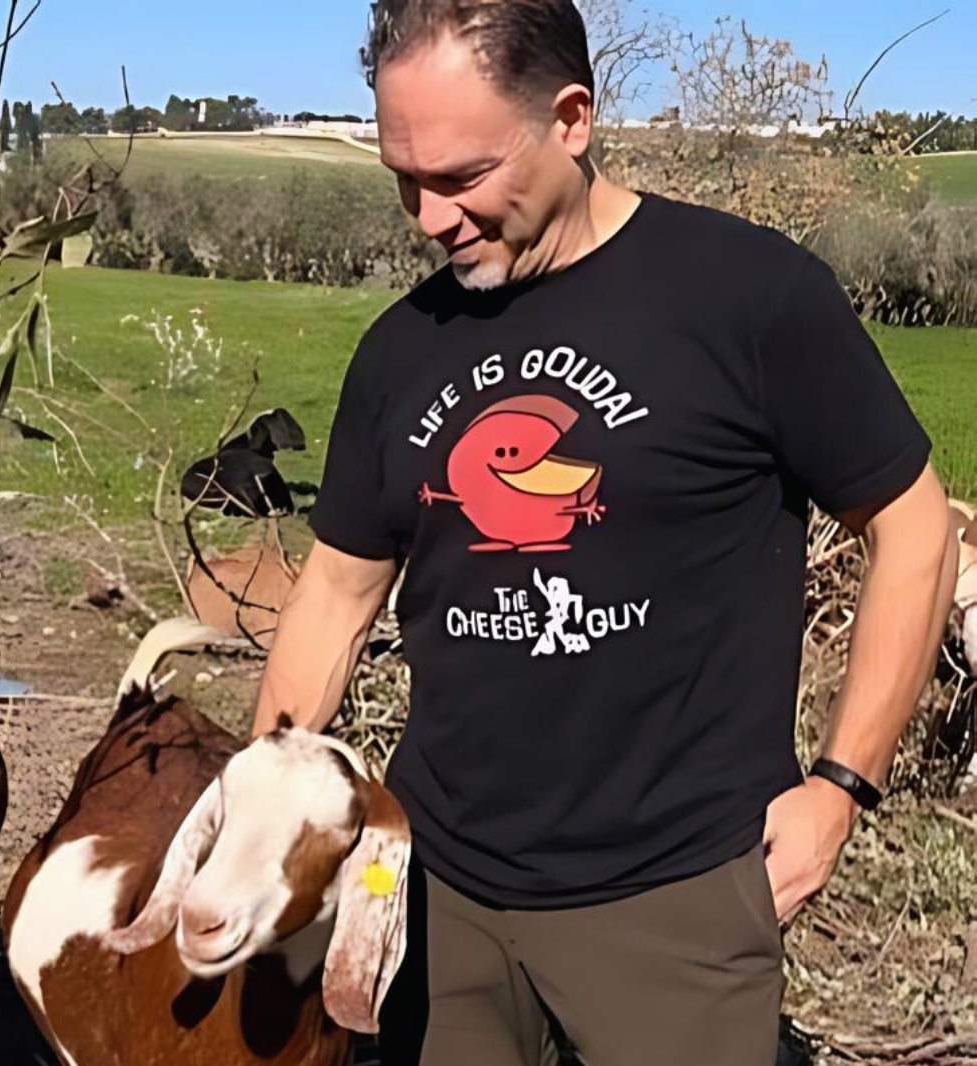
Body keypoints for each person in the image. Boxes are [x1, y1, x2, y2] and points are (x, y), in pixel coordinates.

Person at [251, 2, 957, 1064]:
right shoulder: (400, 352)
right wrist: (267, 810)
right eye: (403, 179)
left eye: (460, 177)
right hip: (437, 893)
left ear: (571, 118)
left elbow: (913, 527)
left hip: (678, 899)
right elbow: (336, 597)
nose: (428, 218)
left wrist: (839, 788)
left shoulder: (749, 298)